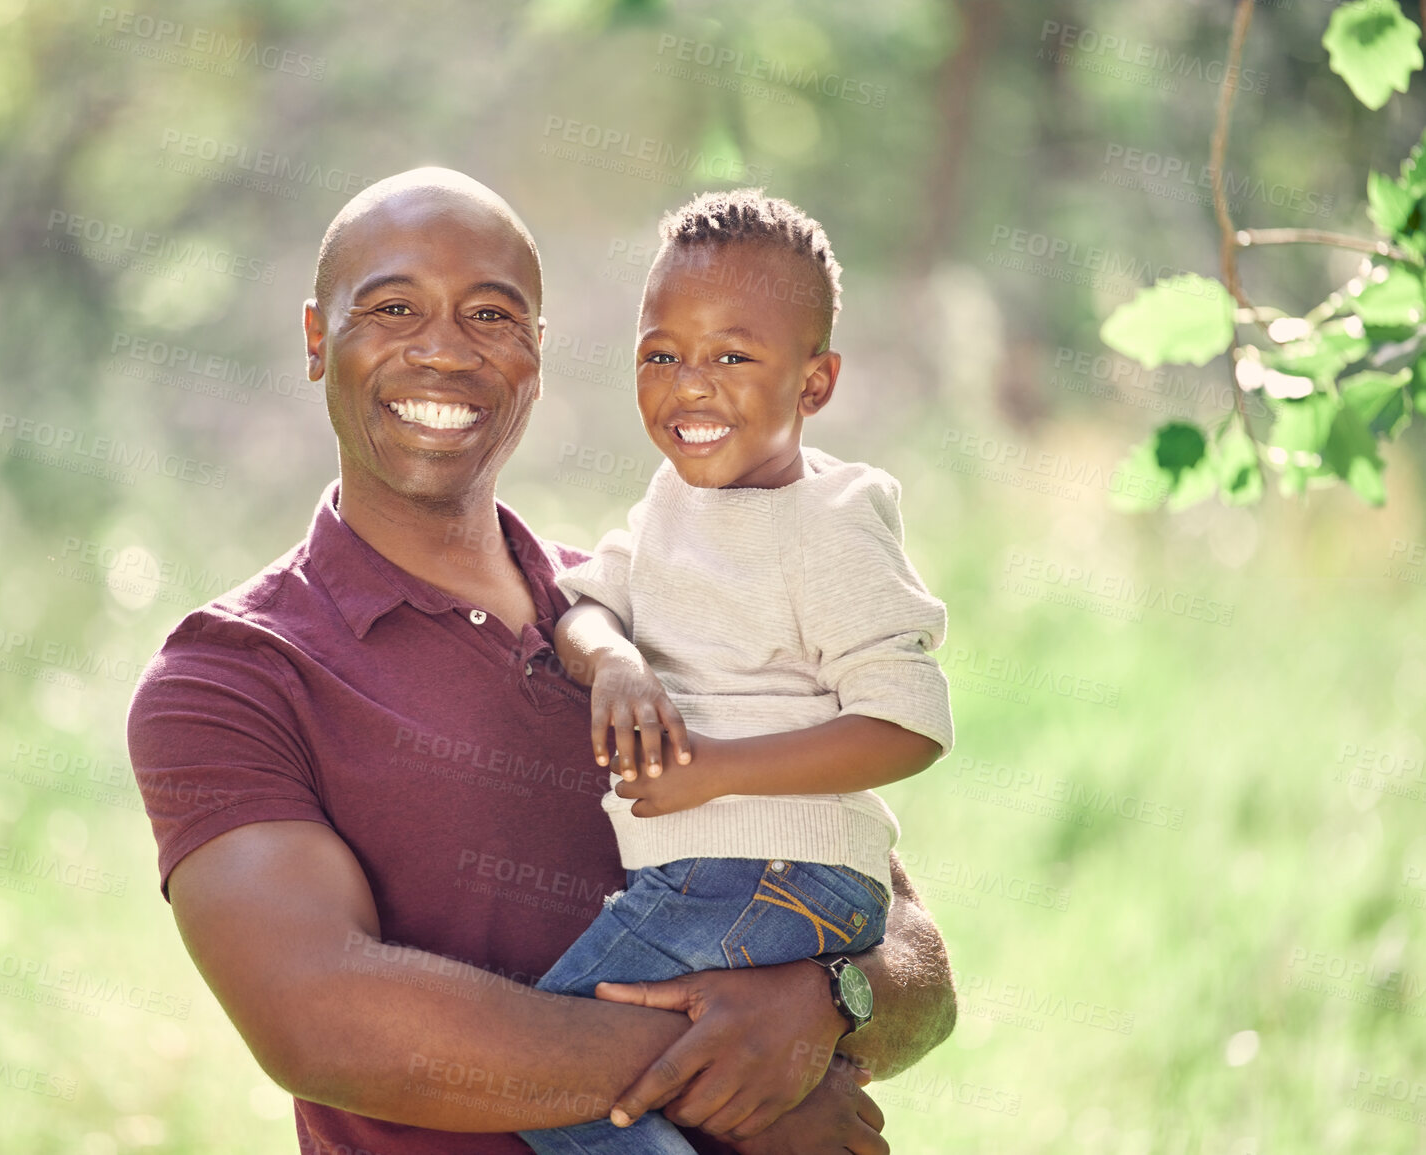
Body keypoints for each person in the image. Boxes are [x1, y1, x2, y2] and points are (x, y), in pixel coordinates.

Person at [126, 168, 957, 1155]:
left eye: (490, 314)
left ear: (537, 356)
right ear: (317, 339)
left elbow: (914, 958)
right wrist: (740, 1069)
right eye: (393, 308)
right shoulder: (233, 679)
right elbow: (323, 1020)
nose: (442, 350)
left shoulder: (665, 605)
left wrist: (825, 1006)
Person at [517, 190, 953, 1155]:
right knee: (651, 1072)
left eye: (731, 355)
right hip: (714, 877)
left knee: (546, 1065)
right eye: (660, 354)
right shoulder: (670, 505)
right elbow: (583, 607)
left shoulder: (829, 520)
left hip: (765, 871)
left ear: (815, 382)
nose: (689, 385)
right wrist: (617, 663)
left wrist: (714, 766)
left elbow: (908, 722)